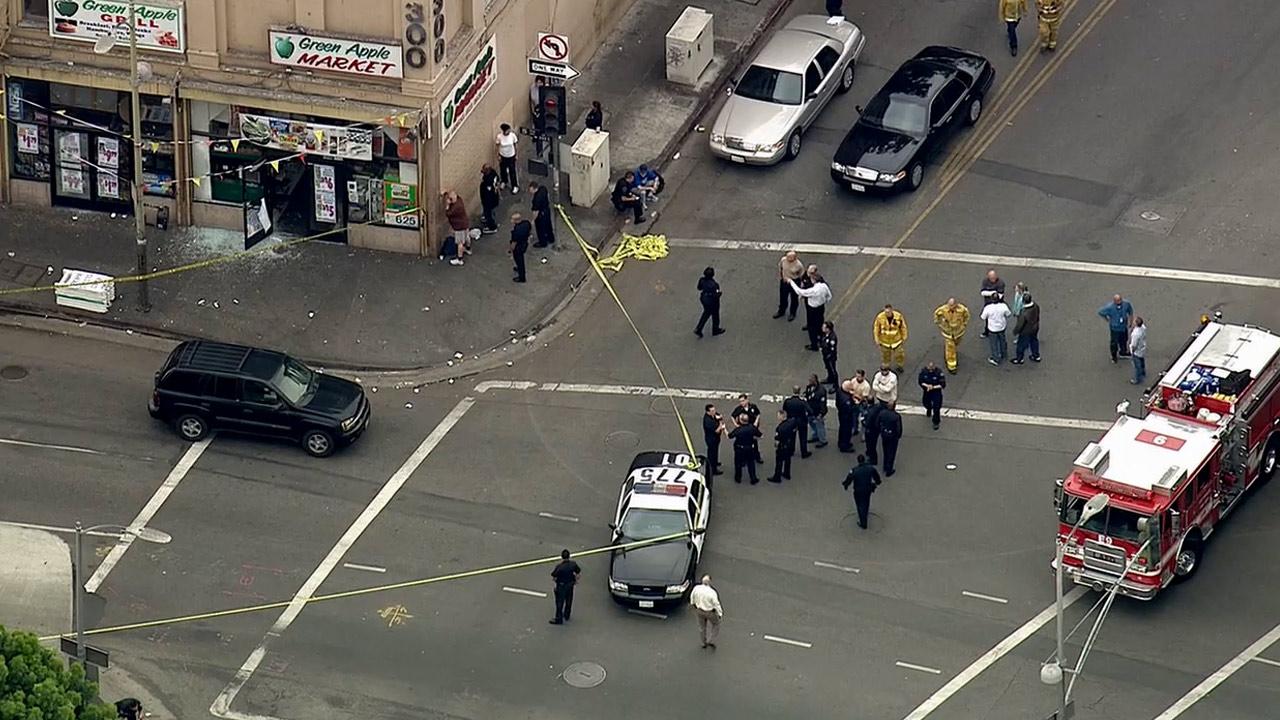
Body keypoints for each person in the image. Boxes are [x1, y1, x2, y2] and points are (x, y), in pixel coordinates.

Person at [789, 268, 832, 351]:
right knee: (820, 321)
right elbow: (829, 296)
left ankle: (814, 345)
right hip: (820, 307)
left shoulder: (814, 290)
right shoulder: (824, 286)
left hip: (812, 309)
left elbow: (799, 291)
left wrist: (791, 282)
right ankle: (821, 336)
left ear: (814, 281)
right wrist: (823, 301)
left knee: (812, 327)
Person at [842, 455, 881, 529]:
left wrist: (845, 485)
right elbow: (876, 476)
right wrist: (877, 482)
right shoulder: (870, 468)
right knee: (866, 502)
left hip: (858, 490)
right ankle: (865, 514)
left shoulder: (854, 470)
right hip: (867, 489)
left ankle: (863, 522)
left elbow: (849, 479)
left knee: (859, 505)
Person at [933, 298, 971, 374]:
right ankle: (951, 365)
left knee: (956, 343)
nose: (951, 307)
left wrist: (964, 324)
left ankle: (952, 350)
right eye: (949, 305)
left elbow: (967, 316)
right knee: (950, 348)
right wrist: (941, 324)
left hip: (958, 332)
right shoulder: (942, 310)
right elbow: (936, 316)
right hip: (948, 333)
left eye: (952, 305)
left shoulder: (962, 309)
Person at [1098, 294, 1135, 364]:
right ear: (1114, 301)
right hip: (1115, 328)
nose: (1120, 301)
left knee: (1124, 339)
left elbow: (1130, 311)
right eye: (1118, 300)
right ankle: (1114, 356)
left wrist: (1131, 321)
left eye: (1120, 299)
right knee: (1114, 343)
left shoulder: (1126, 304)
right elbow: (1100, 312)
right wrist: (1107, 319)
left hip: (1123, 327)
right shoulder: (1110, 307)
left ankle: (1123, 352)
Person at [689, 575, 723, 648]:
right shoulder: (712, 592)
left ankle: (703, 642)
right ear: (709, 582)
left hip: (699, 610)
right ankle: (711, 640)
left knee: (702, 627)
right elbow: (716, 604)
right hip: (710, 612)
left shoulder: (696, 588)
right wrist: (720, 613)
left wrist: (693, 604)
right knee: (716, 624)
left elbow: (692, 597)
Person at [873, 304, 909, 372]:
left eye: (888, 312)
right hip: (884, 341)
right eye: (886, 312)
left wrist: (904, 336)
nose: (887, 314)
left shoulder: (898, 316)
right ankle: (886, 366)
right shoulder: (880, 317)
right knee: (885, 355)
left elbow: (903, 326)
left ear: (892, 310)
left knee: (899, 354)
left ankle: (900, 365)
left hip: (896, 340)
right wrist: (877, 339)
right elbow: (876, 328)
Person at [728, 413, 762, 484]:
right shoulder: (752, 428)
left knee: (738, 463)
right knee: (751, 463)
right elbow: (760, 436)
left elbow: (730, 436)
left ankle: (738, 478)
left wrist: (724, 429)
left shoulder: (738, 430)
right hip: (750, 448)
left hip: (739, 449)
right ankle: (753, 478)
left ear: (741, 420)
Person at [731, 394, 764, 464]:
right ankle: (744, 460)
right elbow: (732, 416)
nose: (741, 403)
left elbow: (758, 414)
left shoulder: (753, 407)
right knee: (744, 443)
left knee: (754, 443)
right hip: (743, 428)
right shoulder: (739, 409)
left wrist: (756, 422)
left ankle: (757, 457)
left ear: (747, 400)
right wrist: (736, 424)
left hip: (752, 428)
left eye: (743, 401)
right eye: (740, 401)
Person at [549, 549, 580, 624]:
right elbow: (578, 571)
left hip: (561, 586)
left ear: (562, 557)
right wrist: (575, 580)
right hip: (570, 585)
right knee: (569, 600)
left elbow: (553, 575)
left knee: (560, 602)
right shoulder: (573, 564)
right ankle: (567, 615)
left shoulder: (559, 567)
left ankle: (559, 619)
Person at [981, 294, 1012, 365]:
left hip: (992, 328)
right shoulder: (1003, 306)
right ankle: (1004, 354)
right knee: (1002, 341)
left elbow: (983, 317)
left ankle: (996, 358)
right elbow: (1008, 314)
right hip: (1001, 326)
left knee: (994, 343)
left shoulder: (988, 308)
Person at [774, 250, 805, 320]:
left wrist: (801, 283)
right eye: (787, 256)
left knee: (794, 298)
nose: (787, 258)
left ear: (794, 258)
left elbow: (802, 274)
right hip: (785, 281)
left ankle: (792, 313)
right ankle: (781, 311)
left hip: (794, 281)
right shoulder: (783, 260)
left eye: (790, 257)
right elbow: (780, 267)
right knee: (783, 297)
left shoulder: (798, 265)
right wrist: (782, 277)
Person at [442, 190, 471, 266]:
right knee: (467, 236)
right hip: (465, 223)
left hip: (459, 226)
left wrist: (447, 205)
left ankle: (459, 259)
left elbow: (448, 213)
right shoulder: (459, 200)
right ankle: (468, 249)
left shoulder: (455, 208)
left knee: (459, 243)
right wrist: (446, 193)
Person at [694, 267, 725, 338]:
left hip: (704, 299)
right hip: (712, 301)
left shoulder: (701, 280)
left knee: (706, 313)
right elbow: (716, 294)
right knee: (715, 315)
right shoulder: (715, 285)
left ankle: (699, 328)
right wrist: (719, 294)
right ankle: (715, 329)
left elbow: (699, 288)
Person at [782, 386, 811, 459]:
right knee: (803, 437)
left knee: (791, 437)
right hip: (801, 421)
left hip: (791, 421)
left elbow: (784, 409)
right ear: (799, 391)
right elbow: (810, 411)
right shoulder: (802, 402)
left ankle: (791, 451)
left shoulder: (788, 401)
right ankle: (804, 452)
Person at [1012, 292, 1041, 363]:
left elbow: (1020, 325)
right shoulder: (1036, 306)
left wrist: (1015, 331)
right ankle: (1036, 356)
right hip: (1035, 327)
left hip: (1026, 331)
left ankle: (1019, 359)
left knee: (1021, 345)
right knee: (1034, 341)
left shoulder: (1024, 312)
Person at [768, 410, 797, 483]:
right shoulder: (792, 422)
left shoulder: (780, 428)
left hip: (782, 446)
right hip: (789, 444)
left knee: (779, 462)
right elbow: (795, 429)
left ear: (781, 416)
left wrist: (776, 445)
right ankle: (787, 473)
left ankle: (777, 477)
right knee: (788, 460)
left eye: (778, 415)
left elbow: (777, 440)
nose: (777, 417)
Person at [919, 360, 946, 430]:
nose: (930, 370)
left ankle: (936, 422)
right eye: (929, 368)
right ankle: (929, 408)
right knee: (925, 403)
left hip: (936, 392)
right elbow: (920, 381)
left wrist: (933, 387)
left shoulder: (939, 373)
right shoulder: (924, 371)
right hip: (927, 391)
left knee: (936, 408)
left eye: (932, 368)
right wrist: (927, 386)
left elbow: (942, 385)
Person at [878, 401, 903, 476]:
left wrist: (881, 430)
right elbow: (898, 428)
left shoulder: (882, 413)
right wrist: (898, 436)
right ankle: (889, 469)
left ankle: (885, 466)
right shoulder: (896, 416)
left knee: (885, 450)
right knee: (891, 452)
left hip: (884, 434)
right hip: (893, 436)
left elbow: (877, 422)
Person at [804, 374, 829, 449]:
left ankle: (823, 440)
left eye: (811, 381)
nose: (809, 382)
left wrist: (821, 413)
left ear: (815, 381)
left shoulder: (821, 391)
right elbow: (807, 394)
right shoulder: (809, 387)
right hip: (810, 410)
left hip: (817, 412)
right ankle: (816, 435)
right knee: (812, 424)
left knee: (819, 426)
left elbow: (823, 404)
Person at [529, 180, 556, 247]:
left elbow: (536, 211)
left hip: (541, 214)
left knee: (540, 229)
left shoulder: (536, 199)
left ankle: (543, 242)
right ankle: (551, 238)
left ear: (534, 188)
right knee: (548, 225)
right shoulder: (543, 188)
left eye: (531, 190)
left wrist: (533, 220)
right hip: (547, 210)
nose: (530, 191)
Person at [980, 270, 1006, 337]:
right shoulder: (985, 281)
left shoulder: (1001, 283)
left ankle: (1000, 332)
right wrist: (993, 292)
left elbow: (1000, 295)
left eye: (994, 278)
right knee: (987, 319)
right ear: (988, 277)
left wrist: (988, 293)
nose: (993, 280)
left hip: (998, 304)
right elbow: (982, 293)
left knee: (999, 318)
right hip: (988, 303)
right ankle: (986, 332)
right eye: (991, 278)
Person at [848, 369, 873, 437]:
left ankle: (864, 434)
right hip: (854, 401)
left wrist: (855, 396)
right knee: (854, 416)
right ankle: (855, 429)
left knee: (864, 419)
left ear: (863, 377)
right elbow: (850, 389)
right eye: (857, 376)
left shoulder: (866, 386)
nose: (857, 378)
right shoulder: (853, 380)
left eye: (859, 377)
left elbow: (863, 397)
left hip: (862, 404)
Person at [703, 404, 726, 478]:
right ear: (708, 412)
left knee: (715, 451)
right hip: (711, 439)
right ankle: (713, 469)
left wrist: (720, 418)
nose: (714, 412)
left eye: (714, 410)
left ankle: (715, 462)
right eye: (712, 411)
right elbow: (716, 430)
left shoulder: (714, 415)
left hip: (716, 438)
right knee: (712, 453)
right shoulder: (708, 421)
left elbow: (719, 416)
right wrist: (721, 425)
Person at [495, 123, 519, 191]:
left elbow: (515, 144)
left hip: (511, 156)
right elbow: (497, 145)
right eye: (508, 130)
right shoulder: (499, 137)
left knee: (512, 171)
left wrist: (516, 154)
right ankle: (504, 181)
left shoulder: (512, 136)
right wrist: (498, 155)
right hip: (503, 155)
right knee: (503, 170)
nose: (509, 131)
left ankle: (514, 185)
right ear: (504, 131)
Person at [835, 379, 856, 453]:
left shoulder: (839, 391)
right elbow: (850, 409)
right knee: (846, 431)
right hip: (846, 417)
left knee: (842, 429)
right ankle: (845, 446)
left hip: (841, 414)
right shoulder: (846, 400)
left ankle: (841, 442)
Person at [509, 211, 531, 282]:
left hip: (518, 247)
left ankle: (522, 277)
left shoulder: (516, 232)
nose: (511, 221)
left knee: (519, 261)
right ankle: (519, 269)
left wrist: (511, 250)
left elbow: (514, 243)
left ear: (516, 220)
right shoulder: (526, 223)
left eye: (512, 219)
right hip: (524, 244)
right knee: (520, 260)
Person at [479, 164, 501, 234]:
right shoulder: (493, 173)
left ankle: (492, 227)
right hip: (495, 197)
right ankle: (487, 218)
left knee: (489, 214)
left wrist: (485, 202)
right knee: (490, 212)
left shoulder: (487, 180)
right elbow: (498, 180)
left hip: (489, 201)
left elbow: (487, 194)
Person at [819, 321, 839, 387]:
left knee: (833, 370)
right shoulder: (825, 334)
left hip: (830, 357)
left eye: (824, 327)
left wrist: (829, 356)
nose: (822, 328)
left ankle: (836, 385)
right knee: (828, 368)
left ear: (828, 329)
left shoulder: (832, 338)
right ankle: (829, 378)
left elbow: (832, 350)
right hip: (825, 355)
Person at [863, 399, 883, 466]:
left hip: (871, 430)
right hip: (876, 430)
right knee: (872, 444)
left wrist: (864, 422)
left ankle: (873, 460)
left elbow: (867, 423)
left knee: (871, 445)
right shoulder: (876, 408)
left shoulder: (870, 412)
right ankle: (869, 453)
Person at [1130, 317, 1148, 385]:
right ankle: (1143, 373)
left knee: (1137, 365)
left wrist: (1132, 351)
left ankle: (1138, 379)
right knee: (1142, 360)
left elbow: (1134, 344)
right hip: (1142, 347)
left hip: (1137, 351)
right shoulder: (1143, 328)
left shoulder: (1136, 334)